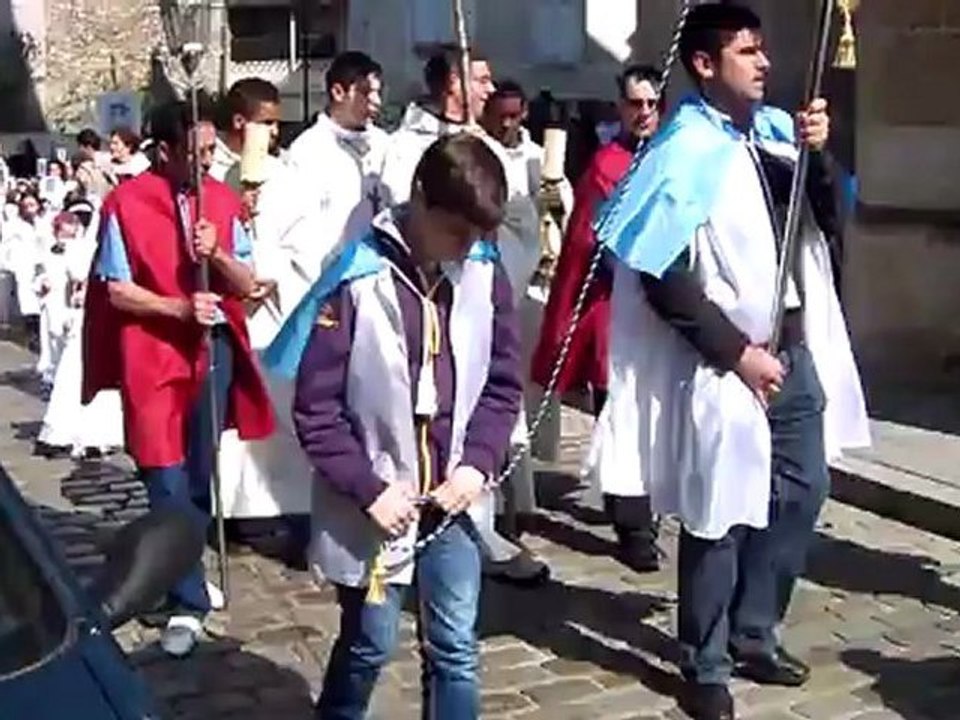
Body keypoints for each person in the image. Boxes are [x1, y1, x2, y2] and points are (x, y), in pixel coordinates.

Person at [589, 5, 870, 719]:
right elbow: (661, 274)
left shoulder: (778, 135)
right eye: (747, 51)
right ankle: (704, 659)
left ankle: (755, 630)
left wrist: (822, 158)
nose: (765, 62)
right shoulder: (683, 148)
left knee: (802, 493)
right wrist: (738, 354)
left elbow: (828, 228)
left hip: (796, 352)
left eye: (764, 49)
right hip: (728, 361)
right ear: (707, 65)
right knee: (720, 513)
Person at [264, 133, 521, 720]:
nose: (467, 249)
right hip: (375, 505)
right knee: (369, 643)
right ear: (422, 201)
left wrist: (477, 465)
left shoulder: (483, 271)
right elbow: (318, 409)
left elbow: (502, 384)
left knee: (456, 646)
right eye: (457, 233)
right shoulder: (358, 279)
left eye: (477, 237)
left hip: (453, 497)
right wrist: (368, 488)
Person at [82, 99, 275, 658]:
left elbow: (247, 281)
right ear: (164, 151)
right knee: (162, 478)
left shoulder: (221, 199)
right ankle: (190, 602)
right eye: (198, 153)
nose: (209, 162)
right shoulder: (125, 203)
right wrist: (177, 309)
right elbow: (116, 288)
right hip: (152, 356)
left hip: (211, 353)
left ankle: (177, 577)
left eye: (213, 150)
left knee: (196, 477)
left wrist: (218, 255)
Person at [381, 47, 547, 585]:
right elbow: (406, 215)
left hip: (478, 291)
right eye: (479, 75)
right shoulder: (407, 147)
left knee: (484, 399)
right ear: (452, 82)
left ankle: (480, 522)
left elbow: (511, 217)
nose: (489, 84)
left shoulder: (489, 144)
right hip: (424, 299)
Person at [533, 64, 664, 573]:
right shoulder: (608, 165)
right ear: (622, 107)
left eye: (653, 103)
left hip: (670, 317)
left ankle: (649, 504)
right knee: (623, 417)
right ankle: (634, 526)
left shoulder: (673, 156)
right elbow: (589, 241)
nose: (645, 113)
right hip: (619, 312)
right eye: (636, 104)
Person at [211, 77, 313, 561]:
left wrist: (269, 275)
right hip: (225, 311)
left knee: (281, 409)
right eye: (267, 123)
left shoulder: (287, 175)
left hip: (272, 311)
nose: (275, 134)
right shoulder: (210, 170)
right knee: (228, 417)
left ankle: (286, 506)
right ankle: (227, 508)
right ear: (239, 123)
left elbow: (302, 240)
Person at [479, 79, 573, 543]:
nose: (510, 123)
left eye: (518, 114)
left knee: (528, 392)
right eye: (503, 114)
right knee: (498, 394)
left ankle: (527, 493)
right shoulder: (477, 153)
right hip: (494, 286)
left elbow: (562, 214)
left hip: (534, 287)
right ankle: (499, 497)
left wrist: (557, 207)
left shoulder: (540, 158)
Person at [286, 50, 390, 295]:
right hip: (333, 281)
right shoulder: (308, 150)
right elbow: (299, 232)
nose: (376, 102)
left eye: (378, 92)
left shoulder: (385, 145)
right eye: (366, 92)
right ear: (338, 92)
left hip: (382, 276)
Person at [38, 204, 124, 458]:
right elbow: (77, 275)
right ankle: (68, 431)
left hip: (98, 315)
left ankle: (95, 434)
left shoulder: (94, 247)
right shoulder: (81, 248)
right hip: (84, 316)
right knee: (74, 372)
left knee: (93, 373)